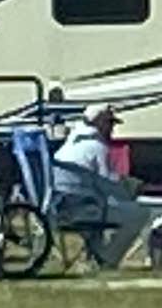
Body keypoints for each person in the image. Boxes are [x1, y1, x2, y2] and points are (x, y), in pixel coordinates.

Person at [50, 103, 143, 270]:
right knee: (139, 212)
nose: (112, 129)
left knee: (100, 204)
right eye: (110, 124)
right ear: (99, 123)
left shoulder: (69, 144)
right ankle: (108, 258)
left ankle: (97, 256)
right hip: (81, 210)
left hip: (58, 208)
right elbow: (108, 186)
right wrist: (131, 188)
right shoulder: (97, 147)